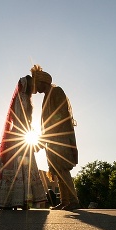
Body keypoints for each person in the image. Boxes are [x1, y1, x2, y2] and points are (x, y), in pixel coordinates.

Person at [0, 74, 48, 209]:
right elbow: (21, 119)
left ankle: (15, 200)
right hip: (20, 136)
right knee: (22, 167)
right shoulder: (22, 98)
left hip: (20, 136)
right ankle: (22, 199)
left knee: (19, 167)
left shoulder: (23, 98)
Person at [31, 65, 80, 210]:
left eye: (36, 84)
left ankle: (74, 200)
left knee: (63, 169)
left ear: (43, 82)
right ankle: (65, 201)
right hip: (51, 140)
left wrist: (45, 138)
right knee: (57, 171)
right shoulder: (47, 96)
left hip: (60, 138)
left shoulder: (56, 92)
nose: (35, 88)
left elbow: (59, 117)